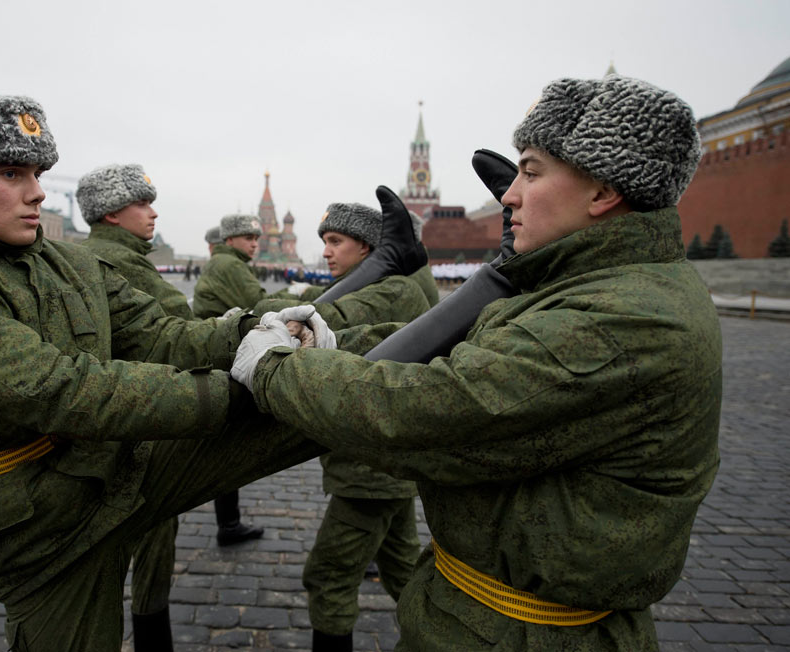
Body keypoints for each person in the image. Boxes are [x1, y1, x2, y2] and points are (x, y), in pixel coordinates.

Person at [231, 75, 721, 651]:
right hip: (488, 620)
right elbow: (484, 346)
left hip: (519, 635)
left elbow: (423, 409)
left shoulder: (625, 318)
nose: (509, 196)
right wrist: (335, 343)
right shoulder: (601, 285)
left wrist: (275, 367)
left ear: (602, 193)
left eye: (531, 172)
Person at [0, 85, 334, 652]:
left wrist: (255, 331)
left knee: (335, 380)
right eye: (12, 174)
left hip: (109, 466)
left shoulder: (65, 261)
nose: (37, 192)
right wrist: (243, 388)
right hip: (34, 520)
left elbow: (161, 337)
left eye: (39, 173)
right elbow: (66, 390)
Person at [256, 202, 429, 651]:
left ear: (368, 248)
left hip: (367, 467)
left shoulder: (387, 291)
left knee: (329, 577)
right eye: (323, 243)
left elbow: (314, 316)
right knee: (403, 569)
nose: (327, 253)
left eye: (336, 242)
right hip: (384, 464)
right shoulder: (388, 285)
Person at [75, 163, 191, 648]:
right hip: (136, 417)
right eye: (143, 203)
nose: (153, 212)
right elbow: (179, 322)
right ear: (113, 214)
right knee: (153, 536)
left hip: (112, 416)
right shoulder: (117, 260)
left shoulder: (97, 253)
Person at [192, 213, 267, 544]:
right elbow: (262, 302)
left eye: (257, 238)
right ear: (230, 240)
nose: (254, 243)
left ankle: (230, 522)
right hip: (222, 357)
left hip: (216, 355)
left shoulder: (226, 263)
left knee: (222, 441)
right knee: (223, 444)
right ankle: (228, 524)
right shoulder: (231, 266)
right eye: (247, 237)